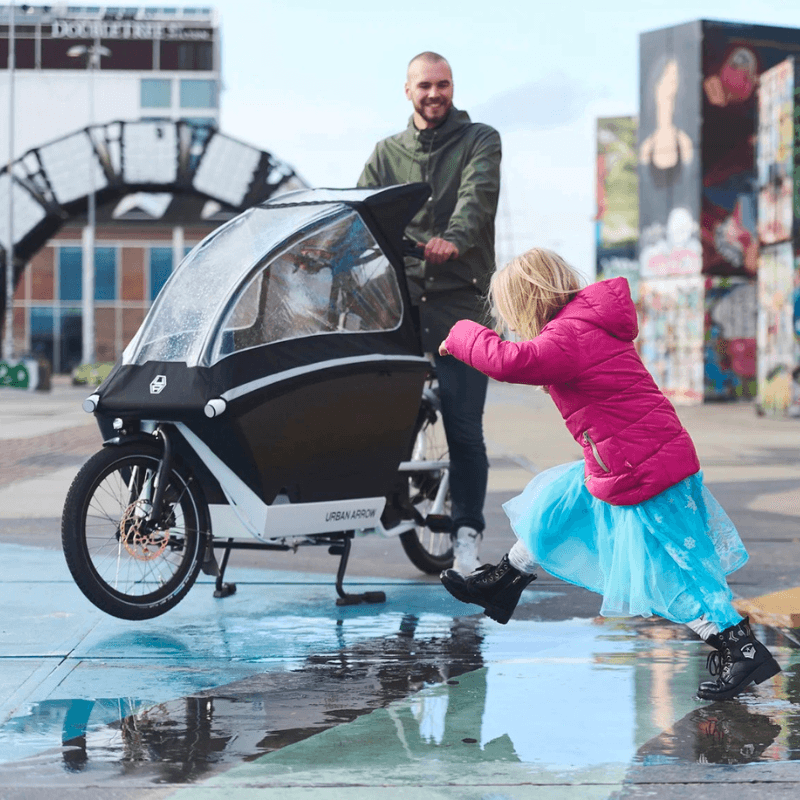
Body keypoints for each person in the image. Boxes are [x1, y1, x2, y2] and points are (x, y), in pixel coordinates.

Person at [437, 247, 781, 701]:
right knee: (558, 502)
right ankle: (504, 581)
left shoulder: (569, 336)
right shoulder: (584, 323)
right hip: (626, 459)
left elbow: (510, 362)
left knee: (679, 565)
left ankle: (741, 647)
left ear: (528, 299)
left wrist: (460, 334)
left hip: (646, 469)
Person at [358, 51, 502, 573]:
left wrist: (454, 240)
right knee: (366, 404)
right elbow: (362, 211)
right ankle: (393, 495)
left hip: (460, 298)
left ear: (452, 87)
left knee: (464, 427)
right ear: (407, 90)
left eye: (443, 84)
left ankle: (466, 534)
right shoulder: (386, 152)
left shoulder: (479, 139)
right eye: (425, 85)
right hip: (401, 300)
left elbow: (477, 199)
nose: (434, 94)